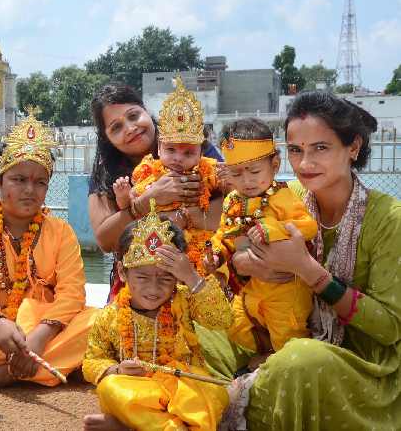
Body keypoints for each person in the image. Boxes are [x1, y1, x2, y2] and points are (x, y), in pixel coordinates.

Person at [200, 92, 400, 430]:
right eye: (296, 150)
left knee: (299, 360)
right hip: (270, 326)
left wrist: (307, 271)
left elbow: (390, 328)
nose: (305, 163)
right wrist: (243, 266)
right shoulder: (283, 196)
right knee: (199, 332)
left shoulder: (389, 219)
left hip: (358, 365)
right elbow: (237, 245)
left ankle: (213, 401)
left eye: (320, 148)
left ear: (353, 147)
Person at [0, 111, 95, 393]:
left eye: (40, 182)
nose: (30, 190)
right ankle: (46, 367)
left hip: (48, 331)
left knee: (96, 323)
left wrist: (40, 335)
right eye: (19, 180)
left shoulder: (61, 232)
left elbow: (73, 293)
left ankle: (2, 375)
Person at [82, 202, 232, 431]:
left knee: (216, 393)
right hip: (138, 390)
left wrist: (191, 277)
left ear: (177, 276)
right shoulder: (110, 315)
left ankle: (131, 426)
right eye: (142, 277)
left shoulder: (184, 298)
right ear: (122, 272)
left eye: (165, 277)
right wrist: (117, 370)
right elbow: (92, 360)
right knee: (110, 388)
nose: (154, 288)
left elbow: (221, 319)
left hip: (183, 386)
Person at [86, 84, 213, 300]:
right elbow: (105, 241)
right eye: (116, 128)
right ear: (106, 138)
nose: (130, 128)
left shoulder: (191, 145)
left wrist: (184, 216)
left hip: (197, 271)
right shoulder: (107, 174)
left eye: (133, 116)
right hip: (138, 285)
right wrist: (146, 201)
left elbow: (229, 206)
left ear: (146, 111)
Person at [209, 118, 317, 356]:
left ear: (275, 164)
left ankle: (278, 371)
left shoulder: (282, 196)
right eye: (236, 174)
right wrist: (215, 253)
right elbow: (224, 234)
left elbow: (308, 226)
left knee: (288, 341)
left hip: (284, 291)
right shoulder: (232, 200)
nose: (246, 181)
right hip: (250, 289)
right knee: (235, 326)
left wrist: (273, 229)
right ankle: (259, 359)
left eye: (254, 171)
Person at [113, 77, 222, 277]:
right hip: (159, 246)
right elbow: (132, 205)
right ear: (159, 147)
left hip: (198, 244)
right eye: (171, 150)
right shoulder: (149, 171)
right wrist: (123, 196)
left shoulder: (207, 170)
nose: (178, 159)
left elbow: (230, 188)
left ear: (200, 154)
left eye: (188, 153)